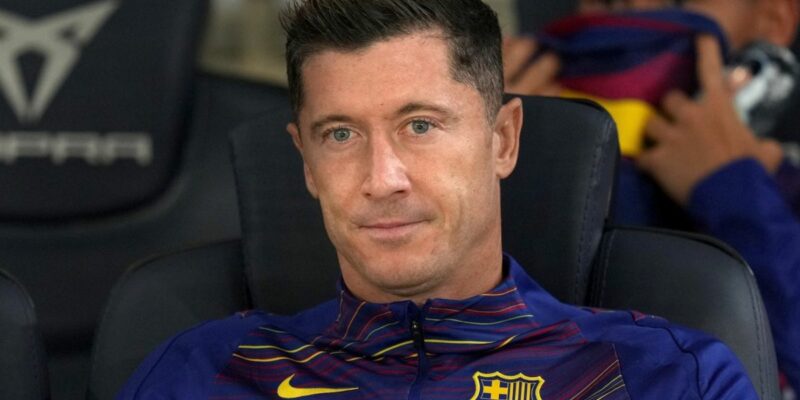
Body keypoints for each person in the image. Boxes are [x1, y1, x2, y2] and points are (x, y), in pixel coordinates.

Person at [116, 0, 757, 398]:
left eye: (419, 125)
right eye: (340, 135)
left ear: (502, 140)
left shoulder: (663, 377)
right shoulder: (199, 374)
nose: (382, 178)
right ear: (305, 161)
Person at [504, 0, 800, 392]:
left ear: (773, 19)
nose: (637, 6)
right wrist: (490, 157)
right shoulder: (512, 129)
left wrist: (733, 191)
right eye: (607, 1)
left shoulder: (787, 192)